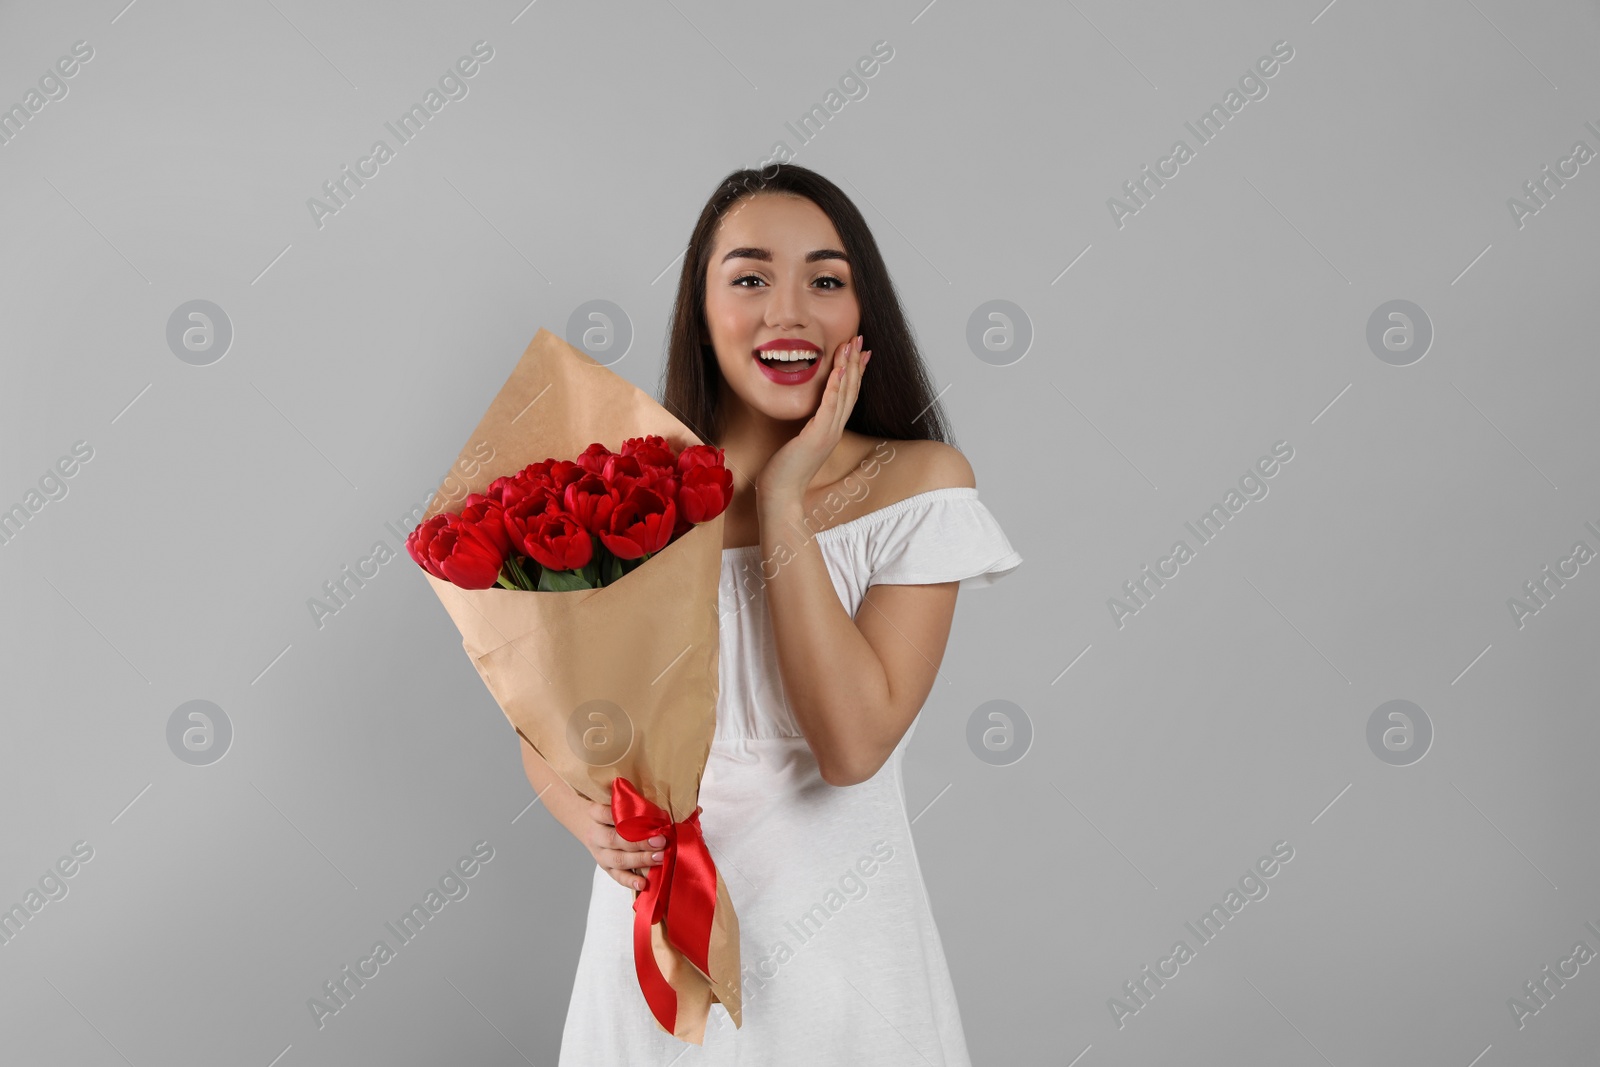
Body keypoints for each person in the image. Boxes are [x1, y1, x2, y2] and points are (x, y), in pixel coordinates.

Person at [527, 163, 1023, 1065]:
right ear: (701, 306)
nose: (787, 312)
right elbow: (551, 717)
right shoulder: (624, 504)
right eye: (750, 277)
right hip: (651, 970)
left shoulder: (919, 485)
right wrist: (578, 811)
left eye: (825, 281)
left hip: (844, 975)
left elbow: (851, 746)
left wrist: (785, 503)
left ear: (862, 312)